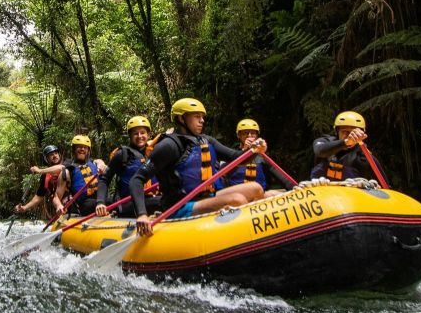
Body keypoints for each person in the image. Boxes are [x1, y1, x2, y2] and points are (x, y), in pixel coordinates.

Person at [129, 98, 266, 235]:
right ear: (181, 119)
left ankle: (260, 234)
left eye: (202, 117)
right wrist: (142, 214)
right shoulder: (169, 146)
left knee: (256, 188)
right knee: (237, 200)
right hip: (180, 206)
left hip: (207, 196)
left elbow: (236, 158)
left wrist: (254, 150)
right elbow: (137, 179)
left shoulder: (205, 140)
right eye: (197, 117)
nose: (202, 120)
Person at [95, 116, 162, 218]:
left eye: (143, 132)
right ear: (130, 136)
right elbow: (104, 179)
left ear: (148, 134)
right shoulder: (122, 154)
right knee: (163, 202)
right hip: (128, 204)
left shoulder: (155, 152)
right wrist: (100, 202)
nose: (139, 136)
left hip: (152, 200)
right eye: (135, 133)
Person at [223, 118, 295, 197]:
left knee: (272, 194)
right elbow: (224, 175)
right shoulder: (231, 155)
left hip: (259, 199)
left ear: (257, 136)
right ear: (239, 136)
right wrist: (245, 151)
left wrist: (296, 188)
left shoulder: (262, 158)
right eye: (245, 133)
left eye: (253, 133)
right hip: (238, 197)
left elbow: (283, 179)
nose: (249, 136)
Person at [310, 111, 383, 181]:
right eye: (344, 131)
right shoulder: (325, 141)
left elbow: (383, 182)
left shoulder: (363, 155)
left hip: (349, 191)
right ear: (337, 131)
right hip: (321, 189)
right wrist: (346, 142)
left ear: (361, 134)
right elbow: (319, 151)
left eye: (353, 132)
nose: (348, 135)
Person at [54, 134, 102, 217]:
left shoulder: (95, 164)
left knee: (114, 200)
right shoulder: (67, 172)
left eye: (85, 147)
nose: (82, 149)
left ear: (88, 150)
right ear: (73, 149)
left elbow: (101, 164)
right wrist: (58, 205)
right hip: (84, 206)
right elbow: (56, 197)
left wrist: (102, 164)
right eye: (79, 147)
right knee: (96, 203)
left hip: (101, 200)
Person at [14, 145, 63, 218]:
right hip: (58, 201)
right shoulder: (45, 175)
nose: (54, 156)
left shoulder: (67, 164)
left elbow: (61, 168)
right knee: (53, 195)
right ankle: (61, 212)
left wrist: (39, 171)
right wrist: (25, 207)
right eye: (51, 155)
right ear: (47, 159)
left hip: (73, 196)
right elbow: (39, 196)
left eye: (56, 153)